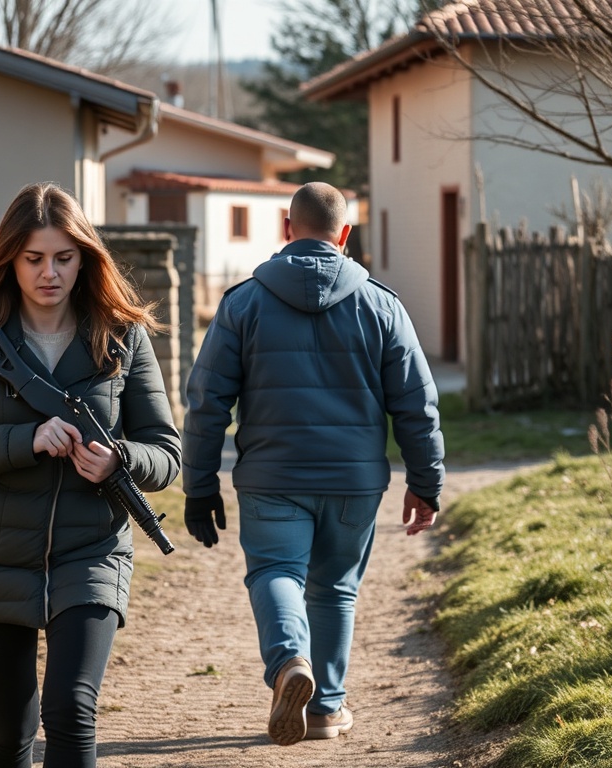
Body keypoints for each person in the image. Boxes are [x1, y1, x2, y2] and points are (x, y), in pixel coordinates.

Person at [0, 182, 181, 768]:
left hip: (93, 549)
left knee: (71, 709)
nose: (49, 273)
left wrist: (121, 460)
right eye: (34, 258)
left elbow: (166, 452)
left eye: (64, 257)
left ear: (85, 258)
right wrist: (24, 440)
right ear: (9, 259)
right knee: (10, 730)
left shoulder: (122, 335)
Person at [182, 181, 445, 746]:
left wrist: (198, 486)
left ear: (286, 228)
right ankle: (325, 708)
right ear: (345, 234)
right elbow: (417, 404)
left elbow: (207, 403)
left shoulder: (242, 303)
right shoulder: (383, 305)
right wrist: (426, 482)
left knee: (276, 572)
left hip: (272, 477)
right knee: (334, 590)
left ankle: (286, 666)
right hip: (354, 483)